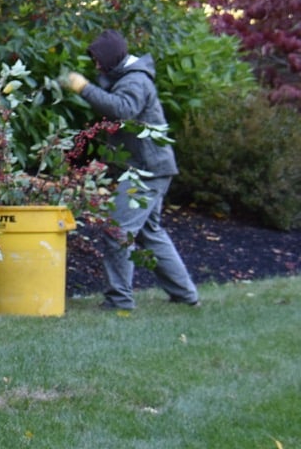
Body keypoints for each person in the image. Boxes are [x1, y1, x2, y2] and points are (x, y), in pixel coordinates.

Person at [62, 29, 199, 310]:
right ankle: (186, 296)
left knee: (118, 231)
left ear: (112, 59)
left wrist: (84, 88)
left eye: (100, 61)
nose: (97, 66)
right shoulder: (128, 76)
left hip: (146, 171)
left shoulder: (135, 80)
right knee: (150, 233)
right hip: (152, 167)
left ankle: (119, 300)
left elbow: (123, 109)